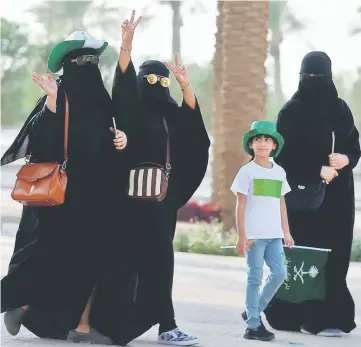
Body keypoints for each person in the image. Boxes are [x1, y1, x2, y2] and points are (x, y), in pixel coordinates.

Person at [1, 31, 129, 344]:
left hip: (96, 198)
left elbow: (106, 141)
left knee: (94, 258)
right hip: (60, 200)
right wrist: (53, 103)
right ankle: (23, 301)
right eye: (81, 59)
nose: (88, 64)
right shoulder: (57, 92)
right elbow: (41, 143)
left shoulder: (101, 100)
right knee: (51, 254)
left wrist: (121, 140)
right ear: (69, 64)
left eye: (93, 59)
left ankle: (81, 325)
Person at [98, 10, 210, 346]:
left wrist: (186, 86)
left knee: (160, 264)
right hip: (130, 202)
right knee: (131, 264)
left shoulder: (172, 115)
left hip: (161, 203)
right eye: (150, 79)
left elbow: (196, 134)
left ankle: (164, 326)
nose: (157, 86)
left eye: (162, 81)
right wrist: (126, 47)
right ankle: (135, 326)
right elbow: (123, 86)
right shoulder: (133, 109)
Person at [264, 51, 360, 336]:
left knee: (336, 255)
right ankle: (292, 316)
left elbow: (354, 144)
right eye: (311, 76)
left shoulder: (340, 108)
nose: (315, 82)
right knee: (303, 257)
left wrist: (346, 159)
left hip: (338, 198)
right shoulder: (290, 111)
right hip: (304, 199)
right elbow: (281, 156)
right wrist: (315, 170)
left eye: (321, 76)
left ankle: (329, 318)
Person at [230, 120, 294, 341]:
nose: (263, 143)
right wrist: (242, 236)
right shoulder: (246, 172)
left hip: (275, 235)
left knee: (280, 273)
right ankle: (253, 326)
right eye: (258, 139)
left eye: (267, 139)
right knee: (255, 278)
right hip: (254, 237)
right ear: (251, 144)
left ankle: (252, 311)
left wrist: (286, 232)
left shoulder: (280, 172)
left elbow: (281, 203)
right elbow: (241, 205)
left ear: (274, 145)